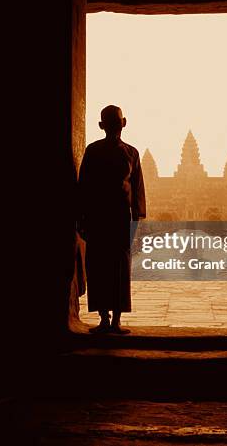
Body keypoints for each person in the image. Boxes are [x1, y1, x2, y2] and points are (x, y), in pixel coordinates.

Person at [77, 105, 146, 334]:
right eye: (110, 123)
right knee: (97, 266)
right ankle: (104, 318)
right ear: (101, 126)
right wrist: (82, 219)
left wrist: (136, 219)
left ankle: (116, 319)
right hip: (98, 217)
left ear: (123, 123)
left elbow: (137, 190)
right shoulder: (92, 151)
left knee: (120, 268)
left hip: (120, 218)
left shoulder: (132, 153)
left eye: (116, 122)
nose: (115, 127)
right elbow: (84, 187)